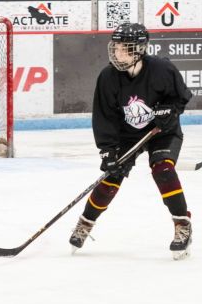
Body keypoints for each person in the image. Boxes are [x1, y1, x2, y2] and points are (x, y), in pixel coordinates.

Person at [68, 23, 194, 261]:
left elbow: (181, 97)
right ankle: (85, 223)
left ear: (139, 49)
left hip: (161, 132)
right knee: (111, 177)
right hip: (126, 135)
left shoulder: (161, 69)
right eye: (115, 47)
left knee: (163, 169)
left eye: (123, 48)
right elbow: (104, 117)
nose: (117, 53)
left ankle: (182, 224)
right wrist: (107, 151)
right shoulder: (108, 77)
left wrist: (170, 111)